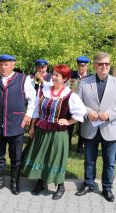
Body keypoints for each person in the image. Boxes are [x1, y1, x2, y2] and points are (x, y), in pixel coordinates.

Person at [22, 64, 86, 200]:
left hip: (58, 133)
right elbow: (36, 110)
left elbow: (81, 112)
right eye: (54, 74)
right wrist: (32, 127)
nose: (54, 77)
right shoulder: (45, 89)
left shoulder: (69, 95)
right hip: (41, 130)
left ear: (64, 79)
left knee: (55, 159)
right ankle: (40, 183)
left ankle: (60, 186)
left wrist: (68, 122)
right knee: (40, 156)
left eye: (57, 75)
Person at [75, 52, 116, 202]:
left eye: (107, 64)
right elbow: (77, 103)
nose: (104, 66)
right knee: (89, 160)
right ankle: (88, 184)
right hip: (90, 127)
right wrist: (88, 111)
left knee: (109, 162)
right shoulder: (85, 82)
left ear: (109, 65)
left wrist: (109, 114)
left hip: (110, 128)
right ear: (94, 66)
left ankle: (107, 188)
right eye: (101, 64)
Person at [0, 54, 36, 195]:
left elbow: (32, 99)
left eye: (6, 64)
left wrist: (29, 114)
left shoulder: (22, 79)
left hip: (16, 124)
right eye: (1, 64)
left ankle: (14, 183)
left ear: (13, 64)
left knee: (16, 157)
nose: (3, 67)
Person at [68, 56, 93, 153]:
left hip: (84, 105)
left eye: (83, 66)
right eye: (79, 66)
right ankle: (68, 144)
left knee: (83, 127)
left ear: (87, 66)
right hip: (71, 105)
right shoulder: (71, 75)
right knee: (69, 126)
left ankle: (80, 146)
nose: (81, 68)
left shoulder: (91, 77)